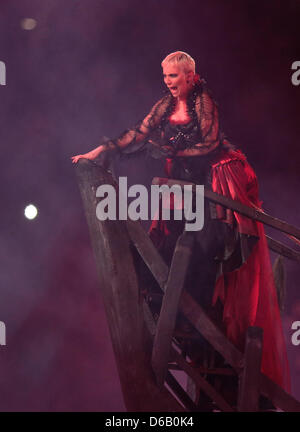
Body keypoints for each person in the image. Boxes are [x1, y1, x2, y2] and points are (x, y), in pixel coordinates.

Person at [72, 51, 290, 394]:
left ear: (190, 75)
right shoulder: (164, 105)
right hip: (187, 184)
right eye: (165, 77)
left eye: (173, 77)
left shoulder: (205, 103)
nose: (168, 83)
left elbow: (209, 144)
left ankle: (198, 315)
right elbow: (138, 133)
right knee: (172, 238)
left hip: (216, 177)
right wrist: (99, 152)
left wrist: (169, 152)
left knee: (204, 243)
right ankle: (180, 311)